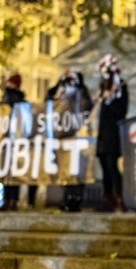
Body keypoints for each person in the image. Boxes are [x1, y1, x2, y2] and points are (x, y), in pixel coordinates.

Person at [47, 70, 94, 212]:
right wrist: (59, 84)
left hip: (78, 138)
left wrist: (79, 87)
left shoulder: (82, 95)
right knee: (65, 171)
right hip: (64, 137)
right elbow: (49, 100)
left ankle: (77, 199)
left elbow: (88, 107)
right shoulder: (62, 94)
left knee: (79, 172)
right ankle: (67, 198)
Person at [96, 54, 128, 212]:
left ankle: (120, 197)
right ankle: (108, 198)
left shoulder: (121, 87)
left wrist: (112, 100)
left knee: (112, 166)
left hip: (113, 136)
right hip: (102, 136)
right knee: (105, 168)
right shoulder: (103, 89)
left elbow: (122, 111)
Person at [0, 73, 26, 211]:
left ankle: (13, 200)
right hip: (5, 140)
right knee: (5, 172)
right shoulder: (5, 98)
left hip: (16, 140)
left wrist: (9, 92)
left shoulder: (18, 98)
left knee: (15, 173)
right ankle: (5, 199)